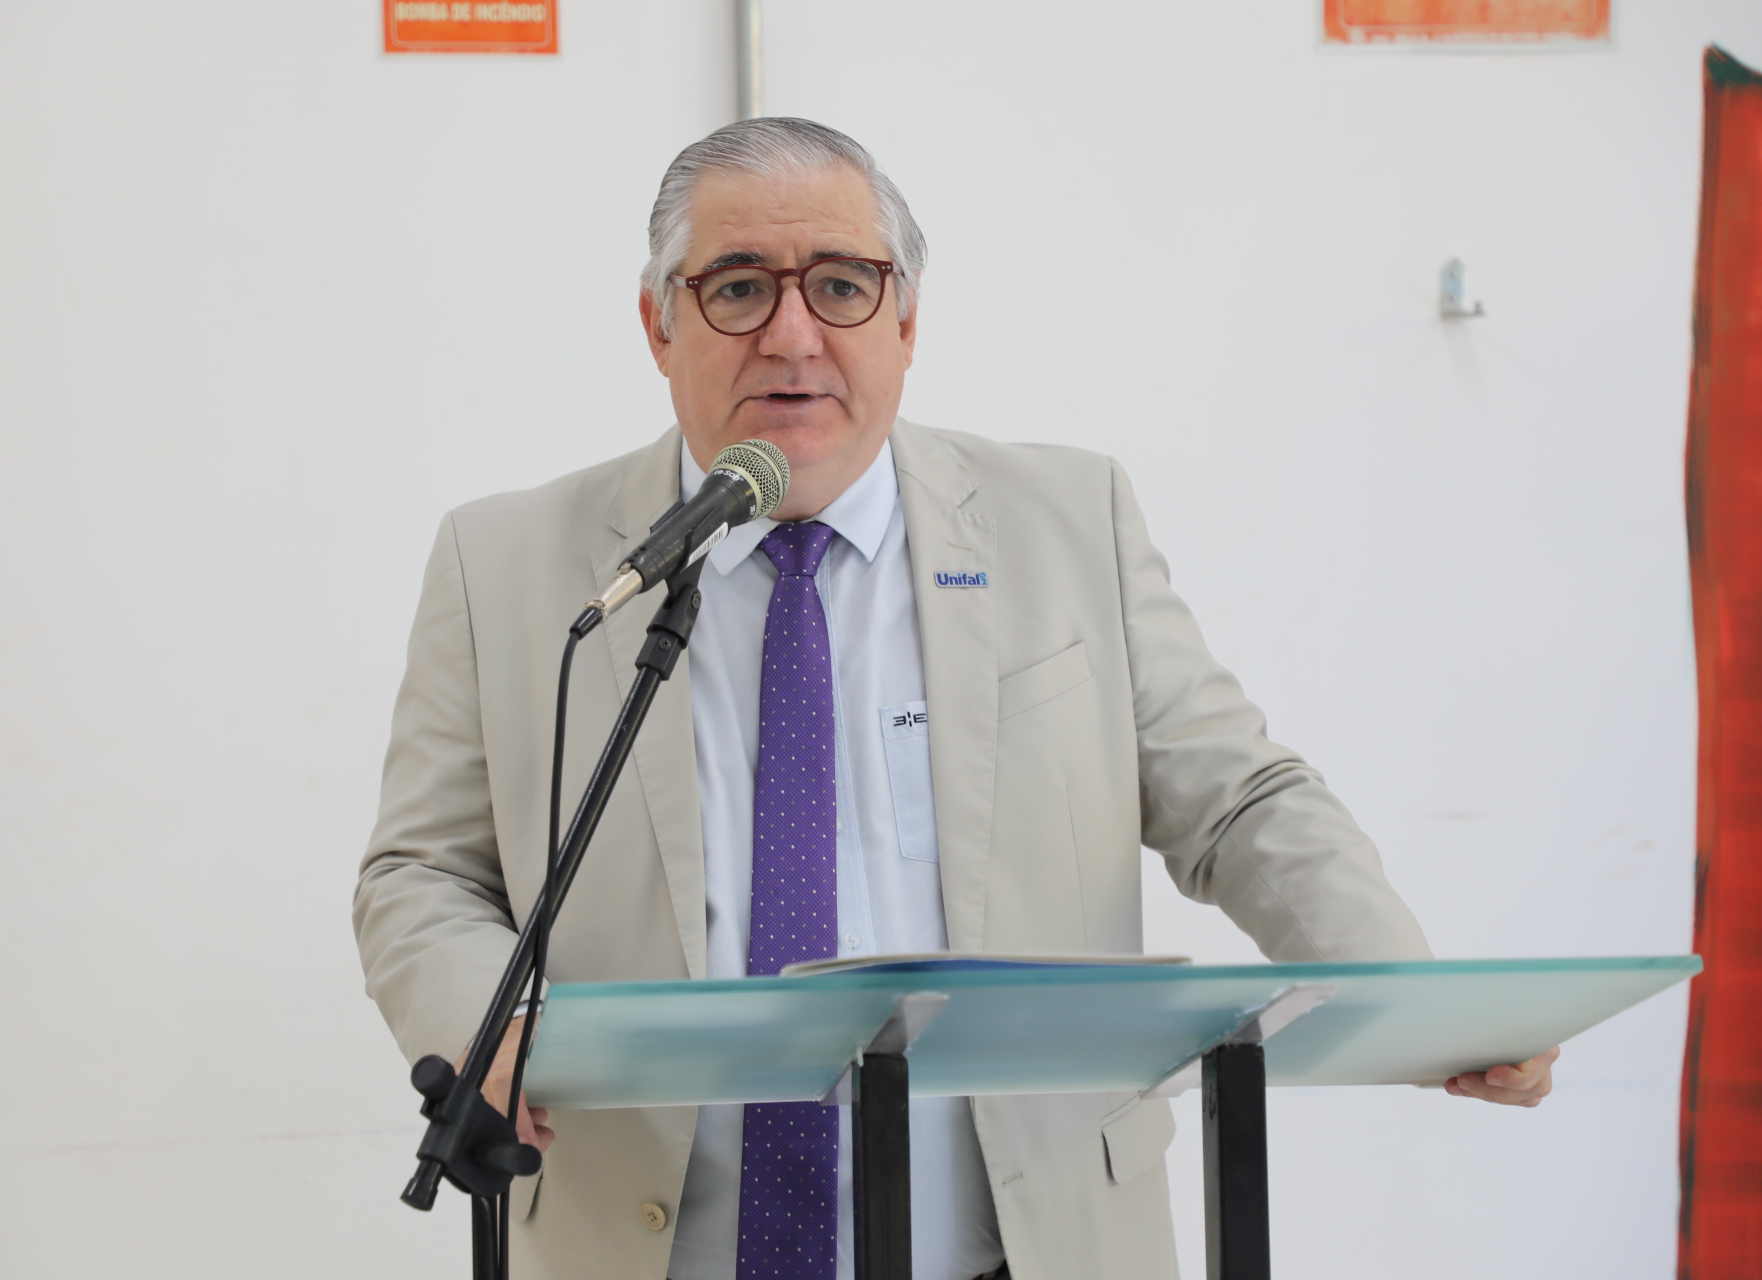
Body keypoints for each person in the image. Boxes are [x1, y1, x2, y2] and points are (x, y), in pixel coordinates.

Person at [353, 117, 1556, 1280]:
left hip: (1028, 1248)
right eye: (737, 287)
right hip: (639, 1243)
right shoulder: (506, 564)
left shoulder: (1069, 522)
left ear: (908, 319)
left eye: (841, 285)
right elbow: (423, 869)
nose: (791, 335)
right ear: (658, 324)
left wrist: (1408, 999)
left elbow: (1237, 800)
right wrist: (486, 1021)